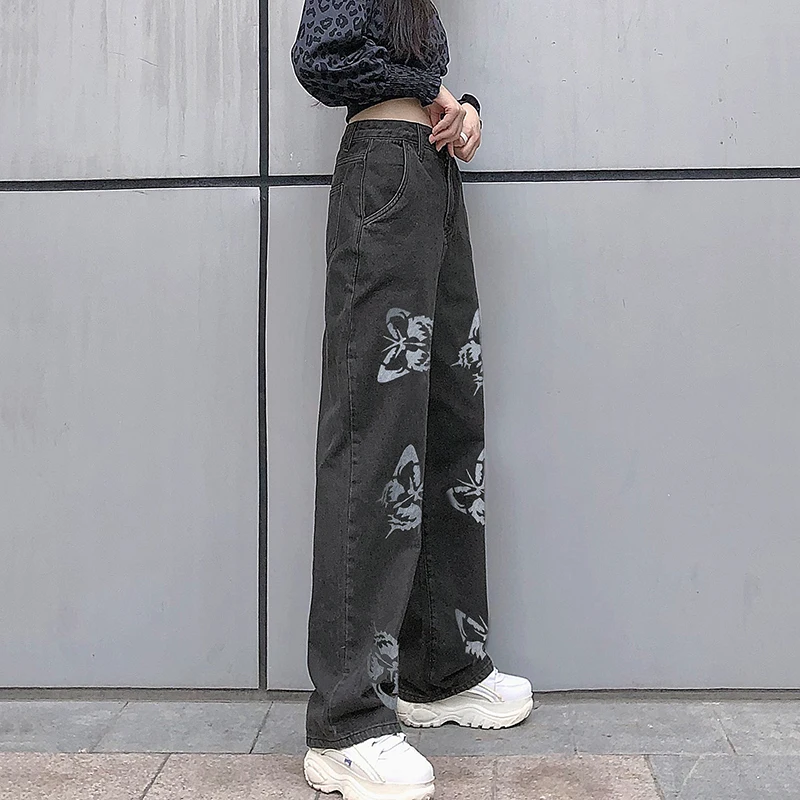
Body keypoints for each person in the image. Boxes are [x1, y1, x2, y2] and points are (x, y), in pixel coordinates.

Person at [290, 1, 533, 797]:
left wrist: (463, 112)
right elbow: (321, 58)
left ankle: (441, 669)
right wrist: (428, 92)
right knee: (373, 435)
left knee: (449, 422)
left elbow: (402, 69)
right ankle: (346, 722)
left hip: (429, 177)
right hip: (385, 175)